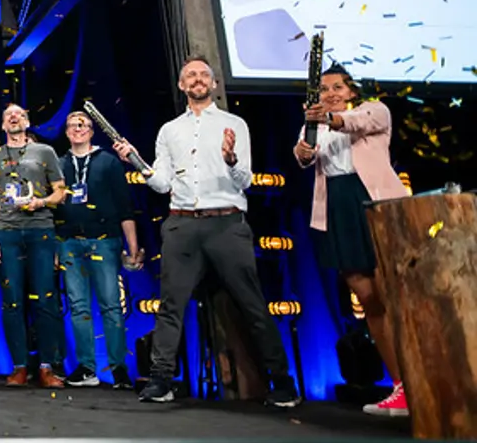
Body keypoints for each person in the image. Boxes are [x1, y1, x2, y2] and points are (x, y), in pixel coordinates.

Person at [115, 56, 300, 407]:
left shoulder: (235, 124)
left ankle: (281, 382)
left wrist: (230, 160)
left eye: (204, 75)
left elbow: (245, 179)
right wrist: (137, 163)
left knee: (252, 304)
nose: (198, 80)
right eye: (190, 76)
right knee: (171, 305)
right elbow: (162, 183)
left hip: (226, 223)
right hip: (182, 223)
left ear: (214, 84)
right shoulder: (170, 130)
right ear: (182, 85)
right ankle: (161, 380)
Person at [295, 64, 409, 416]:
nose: (330, 93)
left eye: (337, 88)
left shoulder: (374, 110)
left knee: (395, 294)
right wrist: (306, 142)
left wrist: (329, 118)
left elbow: (355, 123)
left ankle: (426, 376)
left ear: (351, 91)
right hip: (337, 206)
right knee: (366, 295)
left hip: (375, 204)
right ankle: (400, 387)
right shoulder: (314, 122)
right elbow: (303, 157)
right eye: (324, 89)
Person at [0, 104, 67, 388]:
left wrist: (41, 202)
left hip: (40, 231)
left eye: (19, 114)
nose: (14, 118)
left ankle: (46, 366)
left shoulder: (44, 152)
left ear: (27, 122)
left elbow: (60, 191)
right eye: (8, 116)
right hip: (6, 233)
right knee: (12, 302)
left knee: (45, 299)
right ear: (3, 125)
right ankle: (18, 366)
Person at [56, 110, 140, 390]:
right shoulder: (58, 164)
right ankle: (87, 368)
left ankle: (118, 368)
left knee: (111, 306)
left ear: (92, 131)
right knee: (78, 307)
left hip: (104, 240)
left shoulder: (108, 162)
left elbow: (124, 206)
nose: (78, 129)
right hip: (69, 242)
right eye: (72, 125)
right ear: (67, 132)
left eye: (84, 125)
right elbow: (54, 210)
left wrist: (133, 246)